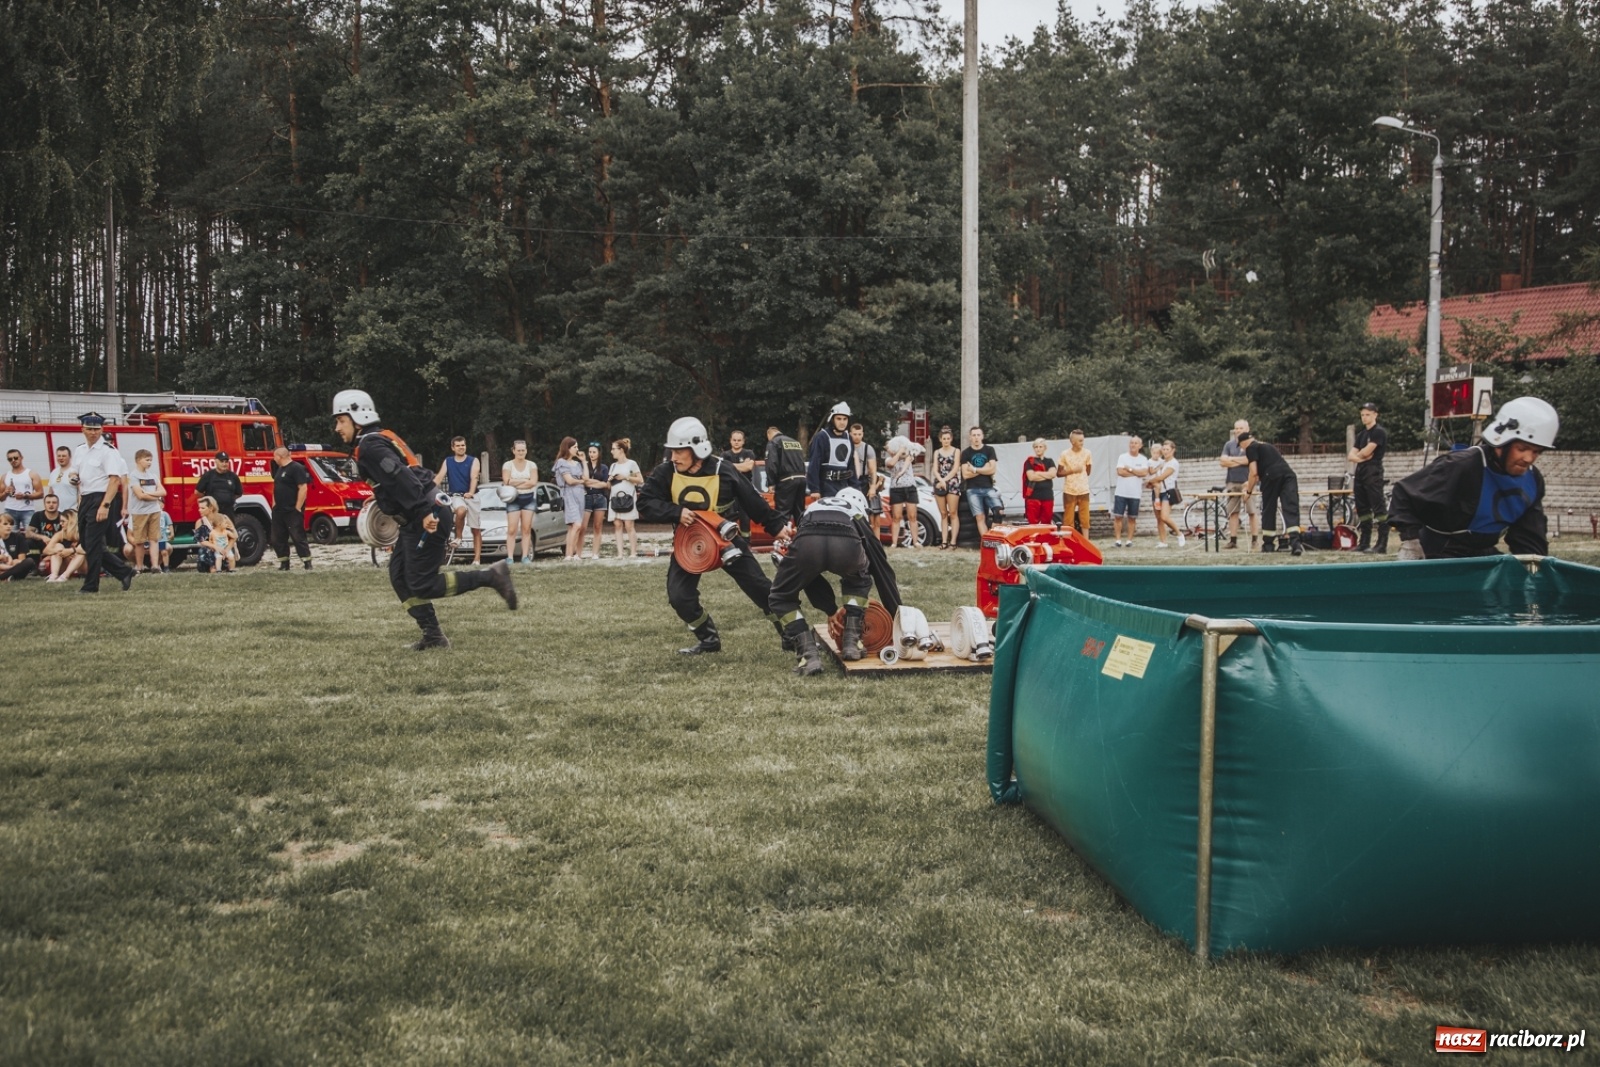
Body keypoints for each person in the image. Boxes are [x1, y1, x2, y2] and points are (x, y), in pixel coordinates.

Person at [333, 388, 516, 649]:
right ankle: (433, 635)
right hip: (419, 513)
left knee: (422, 584)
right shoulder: (377, 438)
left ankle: (492, 576)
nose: (337, 427)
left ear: (357, 416)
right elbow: (399, 477)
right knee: (399, 576)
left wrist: (423, 512)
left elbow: (401, 477)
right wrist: (380, 499)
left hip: (425, 512)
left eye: (340, 420)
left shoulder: (369, 445)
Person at [636, 416, 788, 655]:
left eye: (679, 451)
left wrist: (778, 528)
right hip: (689, 542)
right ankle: (708, 640)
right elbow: (644, 503)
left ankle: (790, 634)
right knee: (679, 597)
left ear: (696, 448)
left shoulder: (723, 470)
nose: (673, 457)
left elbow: (754, 502)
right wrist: (676, 512)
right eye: (672, 451)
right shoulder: (666, 472)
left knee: (761, 588)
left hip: (727, 540)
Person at [1387, 396, 1556, 560]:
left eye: (1536, 451)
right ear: (1501, 443)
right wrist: (1410, 542)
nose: (1528, 458)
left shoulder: (1532, 480)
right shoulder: (1462, 465)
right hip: (1440, 550)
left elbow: (1530, 536)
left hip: (1481, 551)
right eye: (1522, 448)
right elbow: (1404, 493)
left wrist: (1534, 568)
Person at [769, 487, 902, 674]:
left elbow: (809, 577)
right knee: (859, 580)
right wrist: (899, 617)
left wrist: (830, 608)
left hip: (809, 540)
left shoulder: (813, 507)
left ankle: (808, 655)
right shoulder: (857, 513)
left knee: (780, 597)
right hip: (846, 545)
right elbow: (882, 569)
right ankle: (851, 642)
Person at [70, 413, 136, 594]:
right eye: (90, 429)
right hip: (85, 498)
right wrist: (73, 478)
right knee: (88, 542)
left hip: (102, 497)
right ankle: (124, 571)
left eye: (97, 429)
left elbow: (115, 480)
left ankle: (91, 586)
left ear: (102, 429)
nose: (93, 433)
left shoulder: (108, 451)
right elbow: (74, 472)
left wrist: (105, 505)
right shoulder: (80, 450)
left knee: (92, 543)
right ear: (82, 429)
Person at [1238, 430, 1302, 555]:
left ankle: (1268, 545)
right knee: (1291, 508)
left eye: (1240, 446)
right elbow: (1263, 470)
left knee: (1268, 509)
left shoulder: (1251, 448)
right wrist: (1250, 482)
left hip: (1271, 477)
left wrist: (1248, 492)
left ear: (1243, 443)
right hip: (1289, 475)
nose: (1241, 449)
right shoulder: (1266, 446)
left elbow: (1253, 472)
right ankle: (1296, 544)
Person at [1349, 402, 1389, 553]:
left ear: (1375, 415)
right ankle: (1364, 542)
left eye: (1368, 414)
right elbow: (1351, 456)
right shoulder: (1361, 435)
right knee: (1363, 508)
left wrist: (1360, 455)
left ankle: (1381, 543)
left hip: (1373, 471)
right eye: (1362, 415)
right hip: (1360, 471)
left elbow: (1367, 451)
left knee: (1378, 507)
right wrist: (1360, 458)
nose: (1364, 418)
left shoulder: (1379, 432)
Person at [435, 436, 482, 565]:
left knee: (475, 529)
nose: (461, 447)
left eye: (463, 445)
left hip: (472, 496)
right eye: (458, 445)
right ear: (453, 448)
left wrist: (471, 492)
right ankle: (458, 537)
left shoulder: (474, 460)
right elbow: (439, 477)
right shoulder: (448, 461)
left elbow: (474, 477)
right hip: (456, 495)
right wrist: (428, 489)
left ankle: (477, 559)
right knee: (460, 511)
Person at [270, 446, 313, 571]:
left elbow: (303, 487)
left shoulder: (296, 468)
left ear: (279, 456)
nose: (274, 459)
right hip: (279, 510)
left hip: (292, 510)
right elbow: (276, 488)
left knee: (297, 537)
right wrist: (274, 505)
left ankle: (307, 562)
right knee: (277, 538)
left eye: (274, 456)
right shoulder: (279, 470)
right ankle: (284, 563)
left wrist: (297, 507)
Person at [1220, 419, 1259, 550]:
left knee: (1251, 512)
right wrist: (1241, 461)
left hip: (1248, 482)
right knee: (1233, 513)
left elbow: (1251, 460)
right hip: (1232, 482)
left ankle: (1254, 540)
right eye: (1236, 428)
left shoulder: (1252, 444)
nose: (1237, 431)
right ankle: (1233, 541)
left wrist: (1232, 459)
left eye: (1240, 428)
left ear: (1247, 429)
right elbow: (1223, 462)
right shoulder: (1228, 445)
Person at [127, 448, 168, 573]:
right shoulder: (133, 476)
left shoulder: (153, 476)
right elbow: (140, 495)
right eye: (147, 460)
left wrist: (148, 493)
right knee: (139, 541)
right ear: (138, 460)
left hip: (154, 511)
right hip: (139, 512)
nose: (149, 462)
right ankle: (139, 567)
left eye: (151, 460)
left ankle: (155, 566)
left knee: (154, 539)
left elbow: (163, 492)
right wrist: (155, 496)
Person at [807, 402, 859, 497]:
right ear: (832, 419)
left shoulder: (848, 438)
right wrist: (815, 489)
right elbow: (814, 464)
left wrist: (856, 489)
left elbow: (851, 466)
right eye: (838, 419)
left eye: (845, 419)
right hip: (825, 486)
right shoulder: (822, 437)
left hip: (844, 487)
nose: (842, 422)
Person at [501, 440, 540, 564]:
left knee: (526, 529)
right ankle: (510, 557)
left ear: (526, 451)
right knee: (512, 529)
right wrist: (525, 481)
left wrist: (515, 482)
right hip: (513, 499)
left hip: (528, 499)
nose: (521, 452)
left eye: (523, 450)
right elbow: (506, 481)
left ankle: (525, 556)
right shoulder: (508, 465)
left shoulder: (531, 465)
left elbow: (533, 482)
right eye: (518, 450)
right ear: (514, 451)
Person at [960, 426, 1001, 537]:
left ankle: (993, 537)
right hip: (972, 489)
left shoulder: (989, 450)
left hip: (988, 487)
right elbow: (965, 474)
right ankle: (987, 542)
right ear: (970, 437)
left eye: (978, 435)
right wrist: (984, 468)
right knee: (980, 517)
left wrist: (974, 469)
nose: (976, 438)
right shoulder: (966, 453)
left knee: (999, 512)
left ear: (982, 436)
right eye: (974, 435)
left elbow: (992, 470)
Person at [764, 425, 809, 527]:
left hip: (786, 480)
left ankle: (783, 539)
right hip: (801, 479)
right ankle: (802, 536)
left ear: (769, 434)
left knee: (782, 512)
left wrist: (771, 483)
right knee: (799, 512)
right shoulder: (795, 442)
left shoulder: (773, 442)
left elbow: (772, 463)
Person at [607, 438, 643, 559]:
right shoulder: (613, 466)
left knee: (629, 525)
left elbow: (639, 480)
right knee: (617, 524)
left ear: (621, 450)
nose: (611, 451)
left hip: (628, 498)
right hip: (615, 499)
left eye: (613, 449)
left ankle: (633, 552)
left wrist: (625, 477)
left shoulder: (631, 464)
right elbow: (608, 485)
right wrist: (610, 481)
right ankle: (620, 553)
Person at [1111, 435, 1150, 547]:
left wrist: (1130, 469)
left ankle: (1129, 540)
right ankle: (1118, 540)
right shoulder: (1123, 457)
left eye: (1136, 443)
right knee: (1118, 516)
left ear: (1140, 446)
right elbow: (1120, 472)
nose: (1133, 445)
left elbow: (1144, 473)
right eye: (1131, 443)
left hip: (1135, 493)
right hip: (1121, 492)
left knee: (1132, 518)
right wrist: (1136, 473)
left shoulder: (1143, 459)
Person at [552, 437, 587, 561]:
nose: (577, 449)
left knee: (575, 526)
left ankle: (570, 554)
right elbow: (570, 481)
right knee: (576, 524)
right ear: (568, 448)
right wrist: (581, 481)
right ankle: (568, 554)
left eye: (577, 447)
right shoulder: (562, 462)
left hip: (580, 495)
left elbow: (586, 477)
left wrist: (583, 462)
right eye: (575, 447)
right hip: (569, 494)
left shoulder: (576, 463)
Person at [883, 436, 920, 549]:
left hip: (910, 488)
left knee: (912, 516)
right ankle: (894, 543)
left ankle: (915, 542)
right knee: (897, 517)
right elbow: (892, 463)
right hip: (896, 489)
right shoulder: (888, 459)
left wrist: (904, 449)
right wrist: (898, 452)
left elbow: (911, 455)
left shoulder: (907, 456)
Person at [928, 426, 961, 549]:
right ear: (940, 439)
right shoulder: (937, 452)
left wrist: (945, 480)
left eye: (948, 438)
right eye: (944, 438)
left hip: (952, 482)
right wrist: (940, 480)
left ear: (951, 439)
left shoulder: (956, 451)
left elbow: (955, 468)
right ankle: (944, 541)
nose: (946, 440)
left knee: (953, 512)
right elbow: (935, 469)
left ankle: (953, 541)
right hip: (939, 482)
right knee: (943, 513)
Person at [1146, 440, 1184, 548]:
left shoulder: (1173, 463)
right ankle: (1163, 541)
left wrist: (1149, 481)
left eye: (1168, 449)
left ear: (1173, 450)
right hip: (1157, 491)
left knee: (1164, 517)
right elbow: (1154, 474)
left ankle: (1179, 533)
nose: (1165, 451)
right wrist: (1151, 483)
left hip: (1167, 492)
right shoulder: (1162, 462)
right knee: (1159, 518)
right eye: (1164, 449)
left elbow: (1162, 477)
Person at [1055, 429, 1092, 537]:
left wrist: (1082, 474)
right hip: (1069, 491)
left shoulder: (1087, 453)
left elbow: (1088, 471)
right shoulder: (1064, 454)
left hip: (1084, 490)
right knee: (1068, 520)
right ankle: (1069, 541)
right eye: (1080, 440)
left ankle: (1086, 542)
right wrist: (1073, 470)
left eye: (1083, 440)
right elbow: (1059, 473)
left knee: (1085, 519)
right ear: (1073, 441)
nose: (1082, 443)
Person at [194, 496, 239, 573]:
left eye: (202, 508)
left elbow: (234, 536)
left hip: (225, 548)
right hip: (210, 550)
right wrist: (215, 547)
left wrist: (226, 549)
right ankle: (213, 567)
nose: (199, 510)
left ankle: (227, 566)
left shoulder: (224, 518)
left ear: (211, 508)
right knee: (204, 550)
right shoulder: (200, 522)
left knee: (228, 553)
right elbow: (201, 541)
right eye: (199, 508)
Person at [849, 423, 881, 529]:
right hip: (849, 480)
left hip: (863, 481)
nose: (857, 436)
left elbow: (872, 469)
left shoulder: (868, 448)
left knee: (868, 512)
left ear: (862, 434)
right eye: (854, 434)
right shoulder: (846, 446)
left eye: (859, 434)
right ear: (850, 434)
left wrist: (872, 487)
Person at [581, 442, 610, 559]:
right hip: (586, 496)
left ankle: (595, 553)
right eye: (590, 452)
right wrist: (596, 483)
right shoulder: (584, 466)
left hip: (600, 498)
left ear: (599, 453)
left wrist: (592, 483)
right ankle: (579, 552)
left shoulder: (604, 467)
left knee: (597, 526)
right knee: (582, 527)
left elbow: (606, 484)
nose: (591, 454)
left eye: (594, 452)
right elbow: (584, 481)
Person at [4, 447, 44, 529]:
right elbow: (1, 497)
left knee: (30, 536)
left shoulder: (31, 474)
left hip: (27, 509)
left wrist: (25, 496)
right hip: (10, 509)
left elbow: (40, 493)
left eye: (15, 458)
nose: (13, 460)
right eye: (10, 459)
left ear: (21, 458)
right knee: (10, 537)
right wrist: (6, 492)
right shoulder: (5, 476)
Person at [196, 451, 242, 520]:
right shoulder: (208, 475)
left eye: (226, 462)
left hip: (228, 513)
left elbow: (239, 493)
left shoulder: (233, 476)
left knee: (229, 530)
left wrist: (229, 499)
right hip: (213, 512)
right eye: (222, 461)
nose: (224, 464)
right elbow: (197, 492)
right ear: (216, 461)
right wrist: (209, 500)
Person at [1022, 438, 1056, 526]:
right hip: (1033, 496)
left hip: (1047, 496)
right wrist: (1046, 475)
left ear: (1045, 448)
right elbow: (1031, 477)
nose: (1038, 449)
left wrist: (1037, 473)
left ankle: (1046, 540)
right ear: (1034, 448)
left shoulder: (1049, 461)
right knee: (1033, 524)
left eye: (1041, 446)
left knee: (1047, 523)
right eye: (1036, 447)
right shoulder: (1029, 462)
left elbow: (1053, 474)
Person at [41, 510, 82, 581]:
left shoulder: (82, 533)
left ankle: (65, 576)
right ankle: (54, 575)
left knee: (81, 551)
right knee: (57, 546)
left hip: (81, 566)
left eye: (63, 521)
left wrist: (71, 551)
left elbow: (88, 549)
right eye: (60, 521)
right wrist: (61, 551)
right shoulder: (60, 534)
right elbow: (46, 550)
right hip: (66, 563)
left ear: (71, 521)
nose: (60, 523)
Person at [0, 514, 38, 581]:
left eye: (11, 524)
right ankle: (9, 576)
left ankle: (5, 576)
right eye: (5, 524)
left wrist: (13, 563)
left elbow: (21, 560)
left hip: (15, 566)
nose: (9, 526)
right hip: (4, 566)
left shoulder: (18, 537)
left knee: (29, 561)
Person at [47, 445, 78, 514]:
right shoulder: (53, 472)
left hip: (72, 512)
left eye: (64, 456)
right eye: (59, 456)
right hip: (57, 512)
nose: (61, 458)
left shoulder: (75, 471)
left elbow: (81, 492)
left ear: (70, 457)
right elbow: (51, 492)